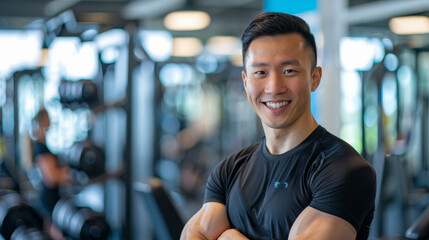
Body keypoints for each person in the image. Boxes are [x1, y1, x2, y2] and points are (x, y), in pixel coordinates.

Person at [181, 12, 376, 240]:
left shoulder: (344, 170)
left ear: (314, 78)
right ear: (246, 81)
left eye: (288, 71)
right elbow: (193, 235)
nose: (274, 87)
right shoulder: (229, 170)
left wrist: (228, 237)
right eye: (260, 72)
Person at [31, 109, 69, 239]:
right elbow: (51, 178)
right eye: (48, 118)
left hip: (52, 197)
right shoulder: (40, 147)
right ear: (43, 121)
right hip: (49, 199)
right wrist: (67, 173)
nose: (51, 121)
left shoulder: (42, 145)